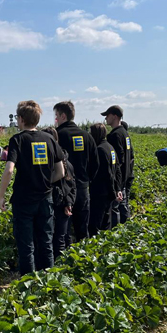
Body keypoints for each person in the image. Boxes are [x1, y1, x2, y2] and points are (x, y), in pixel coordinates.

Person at [0, 100, 65, 275]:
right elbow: (61, 171)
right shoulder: (49, 138)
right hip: (45, 198)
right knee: (46, 242)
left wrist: (1, 196)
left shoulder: (17, 140)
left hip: (24, 200)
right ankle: (48, 282)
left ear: (20, 119)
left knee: (26, 245)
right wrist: (46, 183)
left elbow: (9, 170)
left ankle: (28, 286)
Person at [54, 101, 99, 242]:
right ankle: (83, 258)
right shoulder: (87, 136)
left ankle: (66, 259)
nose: (55, 120)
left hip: (64, 190)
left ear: (63, 116)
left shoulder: (58, 136)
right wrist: (86, 179)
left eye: (56, 116)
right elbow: (95, 163)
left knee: (64, 230)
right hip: (82, 188)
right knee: (82, 227)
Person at [41, 127, 76, 260]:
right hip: (64, 203)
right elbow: (72, 185)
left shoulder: (55, 162)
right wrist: (70, 202)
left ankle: (56, 268)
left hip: (56, 203)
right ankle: (63, 264)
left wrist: (67, 202)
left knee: (55, 238)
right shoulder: (66, 160)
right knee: (62, 236)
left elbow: (65, 184)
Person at [89, 123, 122, 236]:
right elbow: (117, 169)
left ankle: (95, 246)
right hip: (108, 192)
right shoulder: (110, 148)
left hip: (101, 192)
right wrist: (117, 189)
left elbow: (107, 173)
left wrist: (113, 192)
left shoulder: (100, 150)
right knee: (106, 222)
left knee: (96, 224)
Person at [103, 105, 133, 225]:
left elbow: (117, 160)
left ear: (115, 116)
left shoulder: (114, 135)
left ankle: (117, 233)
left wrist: (115, 182)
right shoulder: (124, 133)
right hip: (126, 175)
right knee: (123, 205)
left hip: (119, 178)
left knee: (115, 207)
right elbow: (130, 156)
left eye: (108, 115)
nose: (106, 118)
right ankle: (127, 230)